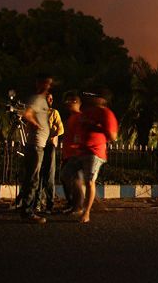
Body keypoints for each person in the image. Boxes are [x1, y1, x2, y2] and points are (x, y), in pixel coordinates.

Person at [71, 88, 118, 223]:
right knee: (67, 174)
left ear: (103, 99)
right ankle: (78, 205)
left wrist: (97, 126)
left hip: (95, 152)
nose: (93, 98)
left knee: (90, 181)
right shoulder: (87, 112)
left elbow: (113, 136)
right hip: (81, 150)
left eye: (96, 96)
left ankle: (86, 213)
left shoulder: (106, 113)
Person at [18, 74, 52, 223]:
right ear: (40, 84)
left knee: (32, 177)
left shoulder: (43, 100)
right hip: (36, 145)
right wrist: (36, 124)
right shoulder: (37, 99)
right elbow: (28, 114)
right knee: (33, 179)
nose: (49, 86)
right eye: (47, 83)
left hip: (39, 145)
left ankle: (27, 209)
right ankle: (28, 212)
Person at [35, 93, 64, 213]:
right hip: (39, 144)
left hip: (50, 145)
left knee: (49, 175)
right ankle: (37, 203)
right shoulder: (38, 112)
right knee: (38, 175)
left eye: (52, 98)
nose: (51, 100)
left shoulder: (54, 112)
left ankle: (49, 204)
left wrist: (52, 135)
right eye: (48, 98)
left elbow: (61, 129)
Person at [59, 93, 84, 213]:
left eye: (69, 102)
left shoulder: (79, 117)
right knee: (66, 177)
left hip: (75, 154)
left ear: (76, 102)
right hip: (68, 153)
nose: (67, 104)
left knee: (75, 180)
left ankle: (78, 206)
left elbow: (79, 136)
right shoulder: (71, 118)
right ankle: (72, 203)